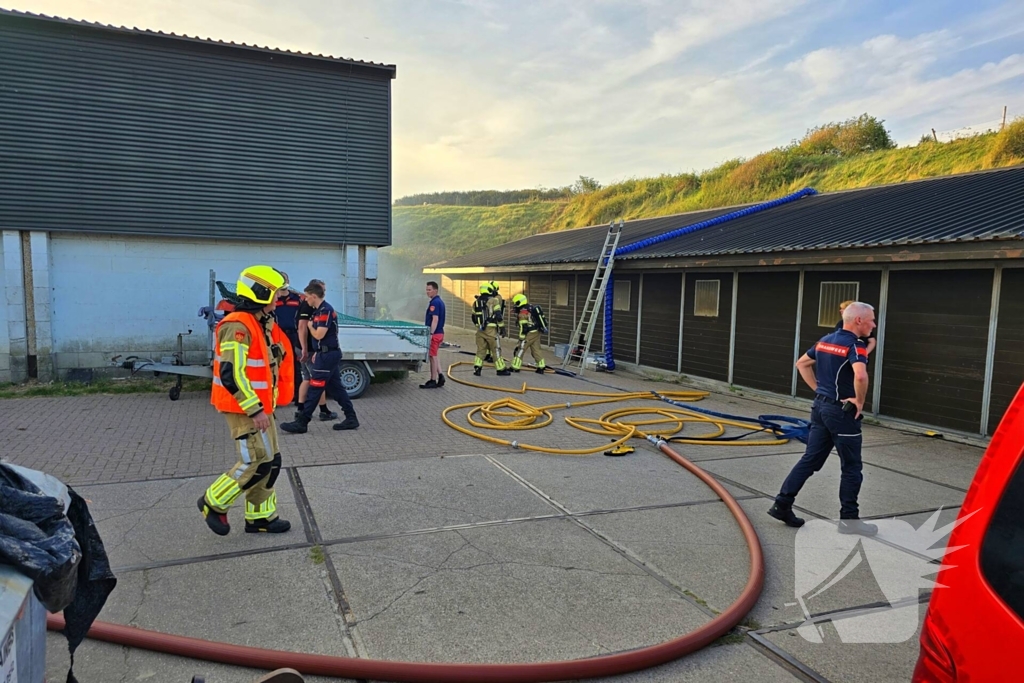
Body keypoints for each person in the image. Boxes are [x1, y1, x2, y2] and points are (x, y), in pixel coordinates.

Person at [198, 265, 294, 535]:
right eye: (275, 295)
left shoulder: (261, 321)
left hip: (261, 407)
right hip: (245, 408)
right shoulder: (238, 326)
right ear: (261, 294)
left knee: (271, 462)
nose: (279, 301)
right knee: (256, 461)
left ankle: (260, 518)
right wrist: (255, 410)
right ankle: (213, 502)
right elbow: (231, 374)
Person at [768, 302, 878, 536]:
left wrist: (819, 389)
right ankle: (849, 520)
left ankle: (782, 504)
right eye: (871, 319)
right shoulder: (855, 345)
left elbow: (802, 363)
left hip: (820, 408)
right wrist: (859, 401)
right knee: (852, 467)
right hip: (841, 413)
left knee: (810, 459)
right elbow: (860, 375)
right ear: (858, 320)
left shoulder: (826, 340)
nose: (874, 324)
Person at [280, 281, 359, 433]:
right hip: (325, 353)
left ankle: (302, 422)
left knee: (315, 388)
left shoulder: (325, 311)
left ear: (314, 296)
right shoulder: (319, 310)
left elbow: (319, 334)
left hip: (328, 355)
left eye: (308, 297)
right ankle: (351, 418)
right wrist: (317, 350)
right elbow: (321, 339)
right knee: (337, 388)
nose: (306, 299)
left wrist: (310, 327)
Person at [295, 279, 336, 422]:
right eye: (322, 290)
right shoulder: (308, 307)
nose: (323, 293)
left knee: (307, 378)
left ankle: (301, 409)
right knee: (317, 380)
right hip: (309, 349)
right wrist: (305, 349)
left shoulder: (319, 308)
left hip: (305, 348)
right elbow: (302, 328)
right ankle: (321, 411)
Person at [273, 273, 304, 405]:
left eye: (285, 280)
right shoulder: (274, 299)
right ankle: (279, 397)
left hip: (294, 336)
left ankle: (298, 397)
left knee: (296, 367)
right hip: (278, 337)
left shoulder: (297, 299)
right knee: (277, 366)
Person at [473, 281, 509, 377]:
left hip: (480, 331)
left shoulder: (476, 302)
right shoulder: (494, 301)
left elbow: (473, 317)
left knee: (481, 350)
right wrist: (502, 327)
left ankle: (477, 368)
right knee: (495, 349)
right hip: (491, 330)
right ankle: (501, 369)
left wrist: (479, 325)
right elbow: (498, 315)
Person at [510, 293, 548, 373]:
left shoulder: (522, 314)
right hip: (537, 332)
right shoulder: (530, 308)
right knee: (536, 349)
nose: (515, 305)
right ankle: (541, 367)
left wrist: (521, 339)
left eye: (516, 303)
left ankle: (515, 367)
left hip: (529, 333)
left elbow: (523, 328)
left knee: (520, 349)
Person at [420, 281, 447, 389]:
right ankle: (440, 376)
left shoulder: (435, 303)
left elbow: (435, 319)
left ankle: (433, 380)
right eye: (426, 289)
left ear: (435, 290)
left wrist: (431, 333)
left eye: (429, 290)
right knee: (434, 355)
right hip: (439, 333)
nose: (427, 292)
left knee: (432, 357)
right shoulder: (439, 301)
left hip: (435, 334)